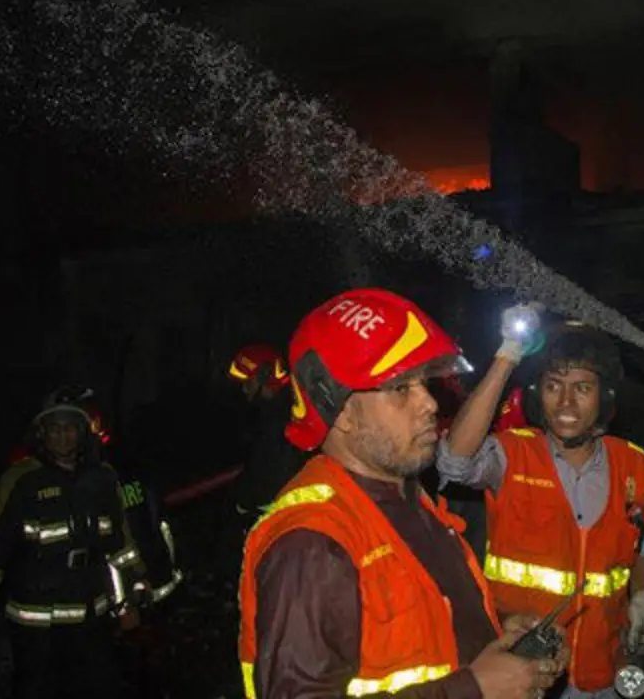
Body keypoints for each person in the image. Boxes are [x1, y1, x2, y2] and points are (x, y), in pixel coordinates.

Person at [238, 288, 567, 699]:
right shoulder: (312, 544)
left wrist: (497, 630)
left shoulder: (406, 498)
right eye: (400, 389)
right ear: (338, 412)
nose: (429, 403)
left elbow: (416, 626)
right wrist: (475, 688)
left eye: (424, 384)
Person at [438, 314, 644, 698]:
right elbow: (453, 463)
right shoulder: (512, 454)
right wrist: (508, 355)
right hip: (520, 674)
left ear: (605, 396)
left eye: (582, 388)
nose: (565, 402)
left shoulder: (635, 467)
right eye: (553, 386)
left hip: (601, 676)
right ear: (536, 393)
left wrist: (642, 598)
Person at [0, 386, 144, 699]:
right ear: (41, 434)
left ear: (82, 432)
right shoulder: (21, 479)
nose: (63, 437)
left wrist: (135, 589)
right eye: (55, 429)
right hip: (36, 618)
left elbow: (119, 541)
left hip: (91, 612)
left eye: (70, 428)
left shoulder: (103, 478)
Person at [228, 344, 308, 517]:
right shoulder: (274, 410)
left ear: (265, 376)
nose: (244, 390)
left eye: (248, 383)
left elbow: (268, 476)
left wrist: (245, 502)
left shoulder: (280, 417)